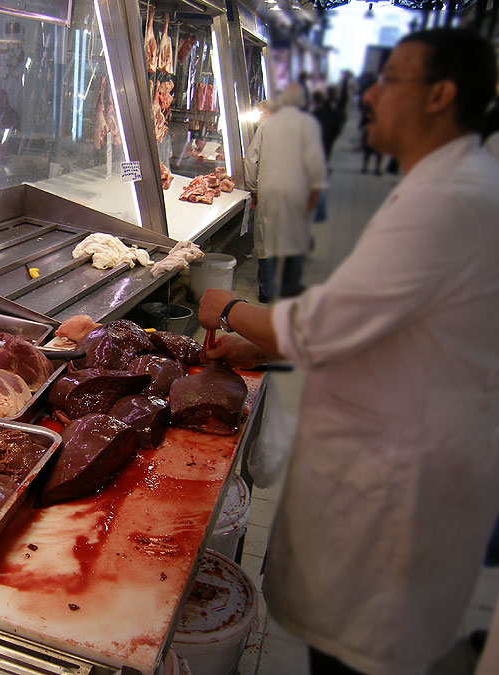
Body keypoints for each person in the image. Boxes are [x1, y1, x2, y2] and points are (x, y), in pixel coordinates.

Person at [198, 28, 499, 675]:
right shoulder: (445, 185)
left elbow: (324, 326)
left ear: (440, 95)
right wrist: (261, 342)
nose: (368, 94)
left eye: (390, 80)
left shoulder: (450, 199)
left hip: (396, 498)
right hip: (395, 467)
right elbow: (379, 323)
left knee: (359, 659)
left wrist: (227, 308)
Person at [243, 83, 327, 302]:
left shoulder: (266, 126)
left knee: (266, 238)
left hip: (270, 189)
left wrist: (253, 189)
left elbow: (251, 160)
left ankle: (266, 290)